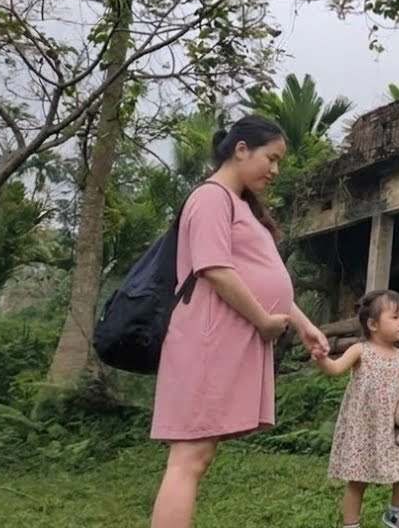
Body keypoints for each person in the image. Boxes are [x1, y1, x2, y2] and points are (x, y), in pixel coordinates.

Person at [149, 115, 330, 528]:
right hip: (207, 337)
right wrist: (264, 321)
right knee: (189, 458)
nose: (275, 170)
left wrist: (301, 324)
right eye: (272, 158)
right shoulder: (211, 197)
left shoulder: (239, 204)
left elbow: (256, 274)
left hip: (223, 336)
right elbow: (214, 268)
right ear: (241, 149)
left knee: (199, 455)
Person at [317, 290, 399, 528]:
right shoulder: (361, 350)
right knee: (358, 480)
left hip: (393, 428)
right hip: (363, 429)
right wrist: (321, 358)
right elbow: (336, 369)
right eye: (395, 317)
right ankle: (351, 524)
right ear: (372, 324)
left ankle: (395, 514)